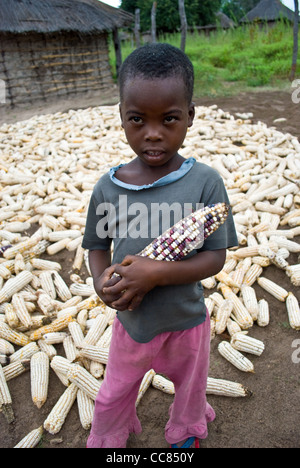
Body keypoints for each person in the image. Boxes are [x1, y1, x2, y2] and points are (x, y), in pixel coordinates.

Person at [82, 43, 238, 449]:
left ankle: (185, 432)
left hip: (187, 320)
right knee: (115, 389)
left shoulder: (206, 182)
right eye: (137, 120)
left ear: (190, 116)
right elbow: (97, 245)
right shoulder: (107, 187)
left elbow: (215, 257)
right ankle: (110, 435)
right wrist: (101, 281)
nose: (152, 133)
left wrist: (157, 271)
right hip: (133, 322)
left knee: (190, 387)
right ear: (121, 117)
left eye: (169, 119)